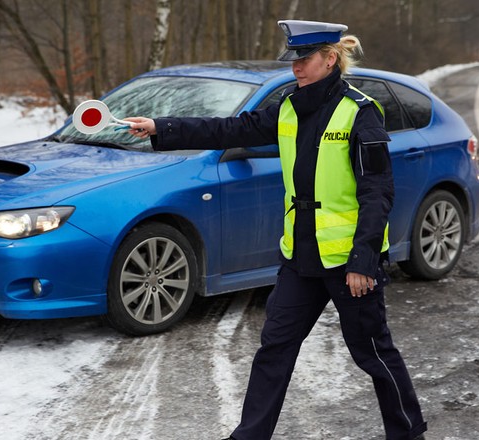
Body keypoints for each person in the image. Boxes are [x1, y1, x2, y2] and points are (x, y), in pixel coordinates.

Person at [126, 19, 427, 440]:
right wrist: (162, 127)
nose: (296, 68)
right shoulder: (289, 107)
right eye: (294, 61)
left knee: (373, 353)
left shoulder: (360, 113)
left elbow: (377, 192)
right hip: (300, 258)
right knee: (275, 350)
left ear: (330, 58)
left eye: (305, 60)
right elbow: (230, 129)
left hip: (348, 264)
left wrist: (363, 260)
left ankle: (409, 432)